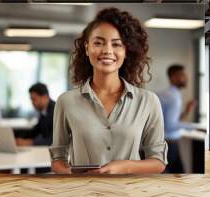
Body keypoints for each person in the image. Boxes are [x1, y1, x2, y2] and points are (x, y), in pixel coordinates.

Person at [49, 8, 168, 174]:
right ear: (86, 47)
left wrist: (123, 167)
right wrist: (76, 179)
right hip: (83, 194)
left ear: (126, 51)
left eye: (117, 44)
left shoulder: (148, 101)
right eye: (98, 42)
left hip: (130, 194)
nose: (107, 50)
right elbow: (58, 160)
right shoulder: (66, 101)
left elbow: (158, 161)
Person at [158, 65, 197, 173]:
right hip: (169, 144)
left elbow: (171, 120)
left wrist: (187, 111)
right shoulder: (172, 96)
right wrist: (192, 126)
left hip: (166, 144)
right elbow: (170, 125)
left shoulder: (169, 94)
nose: (186, 78)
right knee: (178, 178)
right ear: (174, 77)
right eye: (183, 75)